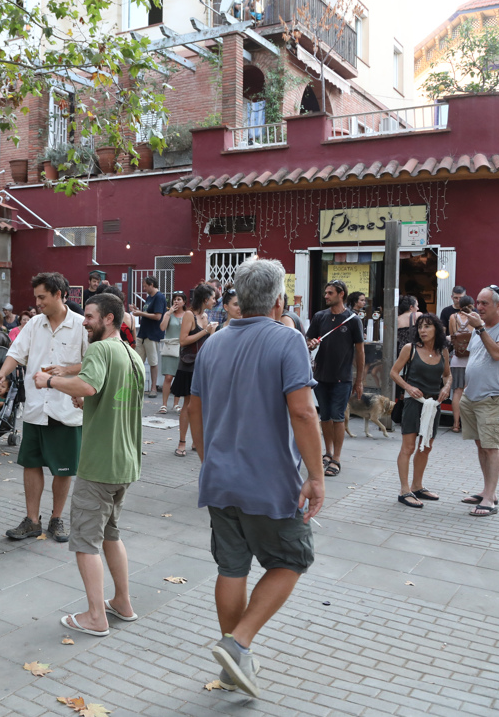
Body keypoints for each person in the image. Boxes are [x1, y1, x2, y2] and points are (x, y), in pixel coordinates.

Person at [186, 257, 324, 698]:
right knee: (292, 559)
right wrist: (317, 475)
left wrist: (209, 459)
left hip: (220, 477)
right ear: (278, 299)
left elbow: (195, 410)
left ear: (239, 300)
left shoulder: (212, 344)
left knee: (232, 566)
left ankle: (234, 666)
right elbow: (303, 412)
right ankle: (238, 643)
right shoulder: (289, 340)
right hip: (268, 480)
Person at [33, 292, 144, 637]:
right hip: (126, 462)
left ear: (109, 318)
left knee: (84, 542)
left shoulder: (99, 349)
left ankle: (96, 617)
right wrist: (74, 379)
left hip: (99, 464)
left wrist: (50, 381)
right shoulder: (130, 354)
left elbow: (89, 385)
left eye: (91, 316)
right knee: (111, 534)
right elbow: (109, 392)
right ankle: (122, 603)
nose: (85, 321)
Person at [0, 272, 88, 542]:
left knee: (64, 468)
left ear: (59, 294)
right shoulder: (34, 323)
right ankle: (32, 521)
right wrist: (2, 373)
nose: (37, 303)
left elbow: (93, 362)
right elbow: (16, 353)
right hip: (36, 407)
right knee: (31, 463)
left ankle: (57, 519)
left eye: (42, 297)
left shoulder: (81, 325)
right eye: (36, 297)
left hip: (66, 408)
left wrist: (67, 370)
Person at [458, 285, 499, 517]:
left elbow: (497, 354)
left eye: (485, 303)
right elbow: (474, 356)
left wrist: (480, 328)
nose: (479, 307)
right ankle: (487, 491)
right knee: (480, 445)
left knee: (491, 448)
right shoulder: (477, 327)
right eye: (478, 303)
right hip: (471, 395)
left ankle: (490, 500)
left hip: (493, 397)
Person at [390, 314, 451, 509]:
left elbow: (448, 375)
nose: (423, 330)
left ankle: (417, 486)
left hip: (433, 405)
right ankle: (404, 490)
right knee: (408, 447)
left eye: (427, 326)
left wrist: (446, 387)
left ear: (436, 329)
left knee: (426, 447)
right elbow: (393, 372)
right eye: (420, 327)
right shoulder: (411, 349)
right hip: (413, 403)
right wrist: (408, 387)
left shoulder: (443, 351)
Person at [305, 280, 365, 477]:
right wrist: (311, 343)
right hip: (320, 375)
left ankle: (337, 458)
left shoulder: (353, 319)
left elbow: (360, 351)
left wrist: (359, 380)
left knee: (338, 417)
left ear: (341, 294)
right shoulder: (319, 317)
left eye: (330, 293)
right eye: (325, 292)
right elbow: (308, 340)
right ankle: (328, 452)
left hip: (343, 377)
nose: (326, 296)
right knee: (325, 416)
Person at [173, 284, 218, 457]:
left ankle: (196, 441)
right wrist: (205, 331)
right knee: (188, 404)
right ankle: (182, 441)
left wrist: (212, 333)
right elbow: (183, 341)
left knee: (200, 404)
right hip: (188, 365)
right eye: (212, 298)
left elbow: (206, 342)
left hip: (203, 364)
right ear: (205, 299)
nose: (215, 301)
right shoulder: (189, 315)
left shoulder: (206, 316)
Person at [130, 275, 166, 399]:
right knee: (137, 359)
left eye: (145, 285)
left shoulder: (159, 297)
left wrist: (141, 313)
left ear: (152, 285)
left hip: (153, 333)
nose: (144, 288)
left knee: (153, 361)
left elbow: (157, 316)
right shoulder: (149, 298)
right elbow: (147, 313)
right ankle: (137, 386)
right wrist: (138, 310)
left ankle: (153, 388)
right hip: (143, 333)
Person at [448, 295, 475, 433]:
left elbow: (452, 337)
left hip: (457, 359)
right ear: (472, 304)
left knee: (457, 392)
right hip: (473, 359)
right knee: (470, 392)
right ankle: (468, 425)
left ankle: (456, 424)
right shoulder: (475, 318)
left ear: (459, 305)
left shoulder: (453, 317)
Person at [158, 292, 186, 415]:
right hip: (170, 348)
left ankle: (176, 404)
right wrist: (168, 313)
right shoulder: (169, 314)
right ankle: (164, 404)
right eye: (174, 299)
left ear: (184, 302)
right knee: (168, 377)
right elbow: (162, 328)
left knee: (179, 377)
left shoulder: (187, 315)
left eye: (179, 299)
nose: (176, 301)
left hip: (183, 348)